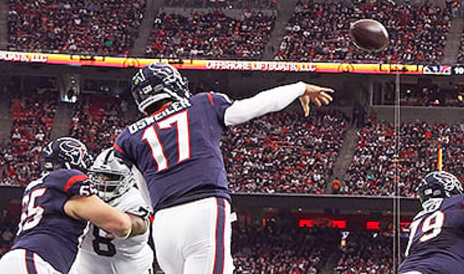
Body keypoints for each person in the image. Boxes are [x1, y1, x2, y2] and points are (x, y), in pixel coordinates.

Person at [113, 62, 332, 274]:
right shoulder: (202, 104)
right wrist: (299, 88)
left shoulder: (129, 137)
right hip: (203, 208)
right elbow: (252, 106)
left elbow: (145, 192)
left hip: (163, 223)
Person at [0, 138, 140, 274]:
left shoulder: (38, 186)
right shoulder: (65, 178)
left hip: (24, 259)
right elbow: (121, 224)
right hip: (38, 261)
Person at [71, 150, 153, 274]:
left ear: (129, 178)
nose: (103, 181)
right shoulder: (83, 194)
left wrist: (128, 226)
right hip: (85, 267)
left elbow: (140, 224)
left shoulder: (134, 198)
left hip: (130, 269)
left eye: (111, 177)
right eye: (99, 175)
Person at [399, 171, 464, 274]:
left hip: (408, 269)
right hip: (444, 266)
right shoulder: (458, 201)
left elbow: (408, 253)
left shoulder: (418, 218)